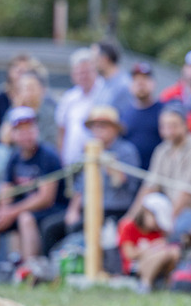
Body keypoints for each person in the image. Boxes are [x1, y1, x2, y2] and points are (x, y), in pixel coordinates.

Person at [41, 105, 141, 256]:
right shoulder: (87, 151)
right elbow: (80, 187)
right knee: (50, 227)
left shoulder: (126, 151)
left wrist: (108, 162)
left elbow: (125, 184)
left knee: (77, 228)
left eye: (103, 126)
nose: (98, 130)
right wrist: (73, 210)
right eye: (95, 126)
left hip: (113, 210)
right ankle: (49, 270)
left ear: (114, 129)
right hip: (86, 209)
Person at [127, 104, 191, 244]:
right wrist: (130, 219)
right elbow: (149, 186)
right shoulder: (162, 150)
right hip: (171, 211)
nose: (169, 130)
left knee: (172, 233)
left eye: (173, 125)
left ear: (185, 125)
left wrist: (166, 224)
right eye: (164, 126)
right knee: (136, 229)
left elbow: (185, 193)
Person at [0, 108, 67, 270]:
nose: (26, 134)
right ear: (13, 134)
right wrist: (3, 211)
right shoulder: (14, 157)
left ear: (36, 130)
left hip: (53, 209)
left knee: (25, 218)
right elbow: (7, 190)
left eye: (30, 129)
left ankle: (28, 270)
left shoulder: (48, 155)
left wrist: (12, 211)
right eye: (21, 130)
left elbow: (45, 198)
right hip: (25, 208)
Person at [55, 48, 103, 166]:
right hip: (71, 163)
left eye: (86, 72)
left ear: (94, 71)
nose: (83, 76)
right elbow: (62, 130)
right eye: (79, 73)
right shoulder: (69, 98)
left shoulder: (104, 92)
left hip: (97, 163)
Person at [120, 62, 164, 173]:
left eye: (145, 79)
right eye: (136, 79)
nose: (140, 83)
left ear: (153, 83)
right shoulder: (124, 113)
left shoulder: (164, 113)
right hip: (130, 177)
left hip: (157, 177)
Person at [118, 190, 173, 277]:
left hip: (154, 264)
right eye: (156, 220)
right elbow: (129, 254)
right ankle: (145, 284)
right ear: (146, 212)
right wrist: (152, 248)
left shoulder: (157, 231)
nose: (157, 224)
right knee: (162, 254)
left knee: (173, 252)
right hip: (134, 266)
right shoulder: (128, 227)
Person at [93, 41, 132, 114]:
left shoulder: (125, 85)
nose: (93, 63)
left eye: (95, 59)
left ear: (105, 59)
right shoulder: (100, 82)